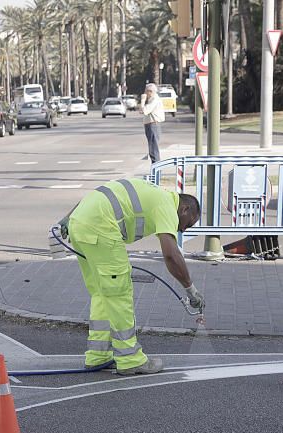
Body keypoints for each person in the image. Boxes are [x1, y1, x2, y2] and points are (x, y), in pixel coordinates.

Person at [62, 178, 204, 374]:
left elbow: (103, 190)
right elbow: (171, 255)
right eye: (189, 223)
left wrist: (68, 217)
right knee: (119, 293)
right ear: (185, 209)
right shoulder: (168, 206)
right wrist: (191, 289)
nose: (184, 229)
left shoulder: (154, 193)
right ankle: (130, 359)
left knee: (102, 293)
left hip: (79, 223)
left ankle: (98, 355)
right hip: (101, 227)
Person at [140, 83, 165, 163]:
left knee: (154, 149)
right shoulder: (151, 100)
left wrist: (143, 100)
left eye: (146, 91)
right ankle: (155, 170)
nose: (145, 93)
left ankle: (156, 172)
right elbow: (141, 110)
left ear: (150, 91)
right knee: (152, 149)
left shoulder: (154, 99)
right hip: (150, 125)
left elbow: (145, 111)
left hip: (153, 125)